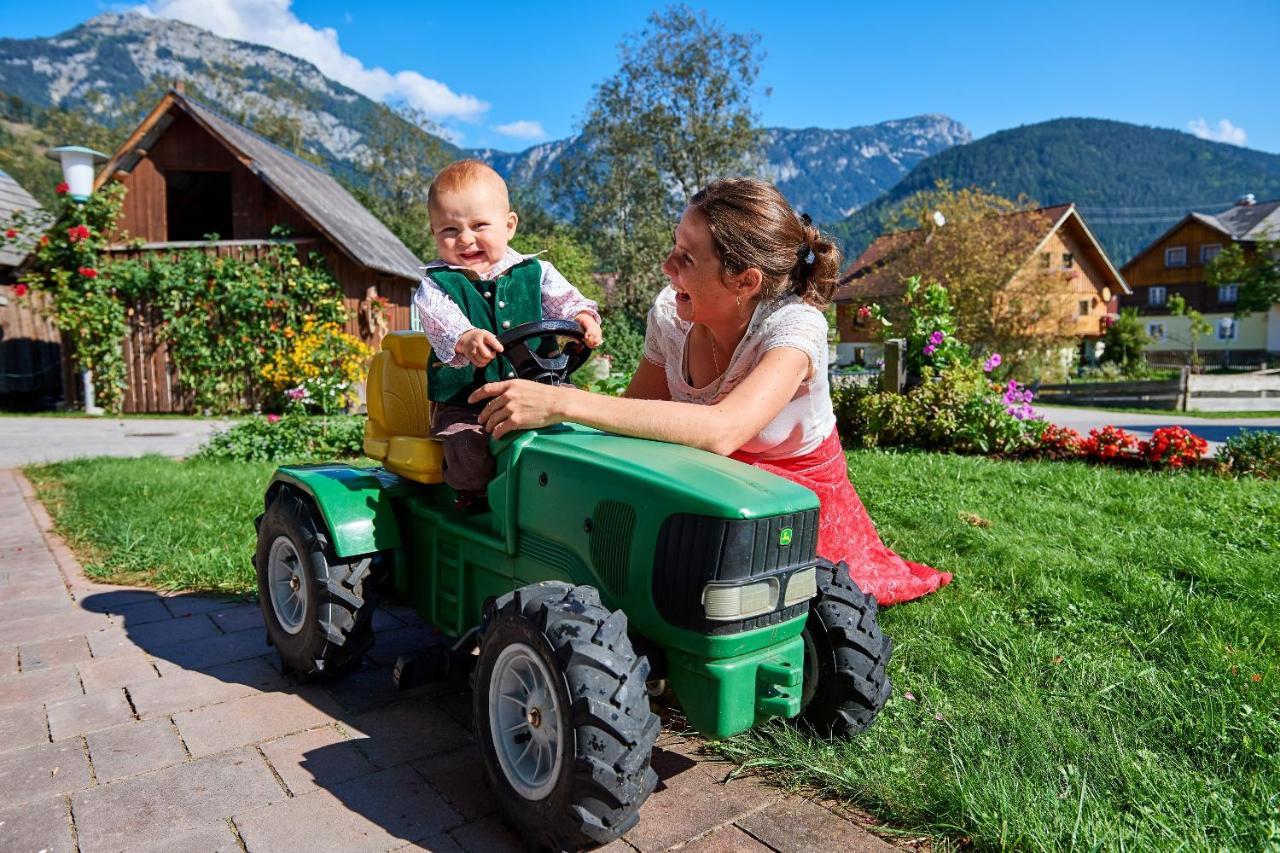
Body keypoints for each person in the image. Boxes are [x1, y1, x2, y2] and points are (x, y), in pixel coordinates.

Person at [468, 177, 950, 605]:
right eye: (673, 247)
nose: (666, 266)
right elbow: (636, 418)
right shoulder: (670, 315)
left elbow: (723, 430)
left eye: (686, 258)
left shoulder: (795, 328)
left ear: (745, 281)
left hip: (789, 494)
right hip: (704, 475)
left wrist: (562, 401)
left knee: (787, 597)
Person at [413, 159, 603, 504]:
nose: (465, 239)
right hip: (470, 402)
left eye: (479, 225)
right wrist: (465, 337)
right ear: (434, 233)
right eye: (450, 230)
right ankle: (475, 501)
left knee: (583, 425)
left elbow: (566, 301)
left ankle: (574, 497)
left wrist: (585, 318)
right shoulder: (436, 284)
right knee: (469, 448)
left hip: (542, 388)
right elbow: (440, 319)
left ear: (509, 225)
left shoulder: (536, 271)